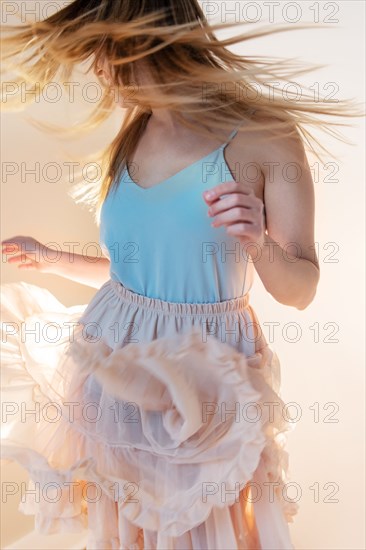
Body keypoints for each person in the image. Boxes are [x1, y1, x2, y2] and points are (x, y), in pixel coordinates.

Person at [0, 1, 361, 549]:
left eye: (105, 53)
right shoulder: (135, 131)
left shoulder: (264, 138)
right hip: (110, 378)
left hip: (201, 396)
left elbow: (301, 291)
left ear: (141, 44)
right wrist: (53, 259)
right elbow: (140, 284)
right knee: (126, 537)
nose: (99, 71)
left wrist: (257, 241)